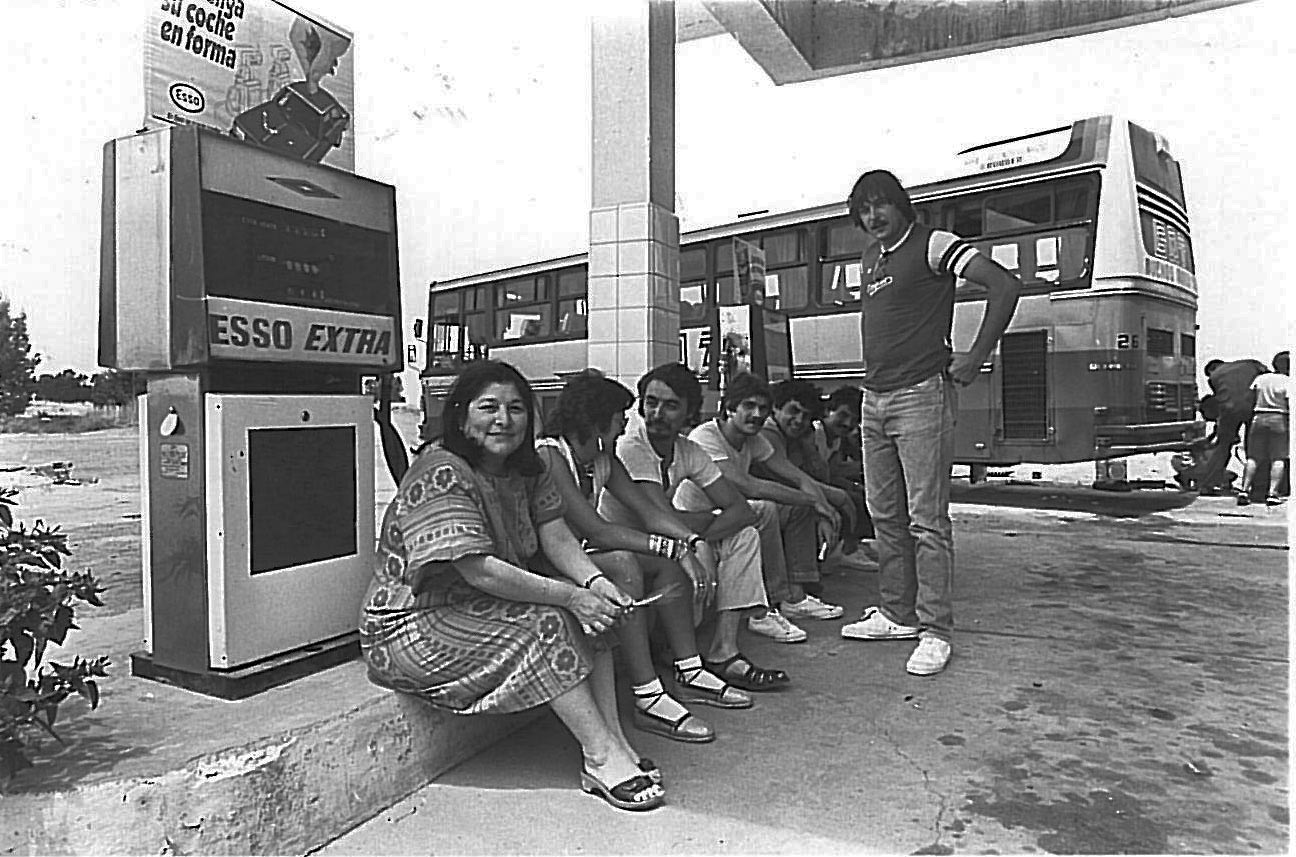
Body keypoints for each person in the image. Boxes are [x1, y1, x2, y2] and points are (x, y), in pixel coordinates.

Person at [359, 360, 665, 812]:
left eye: (516, 408)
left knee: (598, 612)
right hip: (412, 624)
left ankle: (615, 741)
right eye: (489, 407)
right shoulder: (440, 469)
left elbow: (556, 536)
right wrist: (571, 595)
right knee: (550, 621)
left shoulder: (528, 468)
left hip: (480, 605)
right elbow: (479, 570)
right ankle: (599, 756)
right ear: (461, 415)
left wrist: (594, 583)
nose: (503, 419)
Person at [840, 168, 1021, 677]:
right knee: (884, 515)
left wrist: (976, 356)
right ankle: (897, 614)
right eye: (863, 210)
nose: (873, 216)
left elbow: (1004, 285)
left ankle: (935, 630)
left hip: (921, 396)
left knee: (927, 521)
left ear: (901, 205)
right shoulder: (871, 258)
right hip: (873, 399)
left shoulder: (935, 244)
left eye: (881, 204)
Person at [536, 370, 753, 746]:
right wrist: (673, 546)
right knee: (625, 564)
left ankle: (689, 670)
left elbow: (650, 513)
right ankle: (647, 695)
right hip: (541, 566)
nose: (624, 428)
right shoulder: (551, 455)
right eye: (618, 420)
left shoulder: (602, 458)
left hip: (579, 560)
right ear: (595, 423)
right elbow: (597, 531)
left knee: (667, 567)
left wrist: (687, 543)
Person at [600, 363, 792, 692]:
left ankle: (724, 651)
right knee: (696, 550)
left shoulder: (688, 450)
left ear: (689, 411)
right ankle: (679, 659)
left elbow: (741, 510)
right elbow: (656, 516)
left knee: (744, 535)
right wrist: (694, 539)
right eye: (651, 402)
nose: (657, 413)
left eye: (671, 405)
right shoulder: (633, 446)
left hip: (668, 540)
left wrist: (699, 537)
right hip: (627, 545)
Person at [687, 372, 845, 641]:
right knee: (766, 509)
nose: (757, 414)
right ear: (729, 408)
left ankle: (794, 598)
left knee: (795, 509)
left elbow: (797, 477)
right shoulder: (705, 436)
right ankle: (764, 609)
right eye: (748, 406)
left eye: (762, 408)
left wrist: (822, 508)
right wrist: (814, 501)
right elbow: (749, 486)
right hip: (699, 521)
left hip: (731, 514)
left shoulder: (754, 440)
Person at [759, 377, 860, 570]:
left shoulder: (795, 436)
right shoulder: (768, 432)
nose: (799, 420)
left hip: (780, 495)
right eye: (793, 411)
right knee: (806, 509)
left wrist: (808, 447)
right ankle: (802, 580)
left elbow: (818, 475)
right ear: (776, 408)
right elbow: (792, 478)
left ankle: (832, 558)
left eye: (806, 416)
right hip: (763, 498)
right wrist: (826, 502)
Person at [812, 385, 875, 548]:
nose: (848, 423)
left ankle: (860, 545)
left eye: (854, 420)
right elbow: (818, 473)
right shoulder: (815, 432)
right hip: (810, 487)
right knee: (852, 501)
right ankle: (848, 547)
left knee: (864, 496)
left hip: (822, 485)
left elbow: (833, 471)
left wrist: (853, 485)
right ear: (828, 410)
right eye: (843, 415)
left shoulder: (837, 439)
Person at [1195, 357, 1268, 495]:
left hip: (1228, 411)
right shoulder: (1251, 364)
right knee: (1254, 447)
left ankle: (1207, 485)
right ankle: (1257, 487)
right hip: (1252, 407)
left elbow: (1221, 397)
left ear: (1212, 369)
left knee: (1222, 446)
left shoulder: (1214, 376)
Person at [1237, 351, 1290, 506]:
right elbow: (1289, 403)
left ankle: (1244, 490)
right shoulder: (1288, 381)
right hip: (1279, 418)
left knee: (1253, 457)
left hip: (1258, 417)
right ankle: (1272, 493)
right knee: (1278, 458)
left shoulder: (1261, 378)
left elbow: (1250, 398)